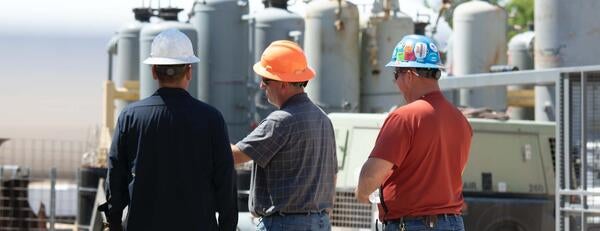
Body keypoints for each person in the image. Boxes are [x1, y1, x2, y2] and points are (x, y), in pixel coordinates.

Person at [104, 29, 237, 231]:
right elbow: (225, 181)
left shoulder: (130, 117)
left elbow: (115, 176)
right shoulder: (212, 119)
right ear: (189, 71)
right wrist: (227, 226)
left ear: (154, 71)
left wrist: (114, 222)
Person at [355, 35, 472, 231]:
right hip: (453, 223)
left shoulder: (404, 117)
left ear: (409, 75)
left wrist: (361, 193)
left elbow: (371, 176)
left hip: (413, 224)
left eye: (396, 75)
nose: (395, 83)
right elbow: (452, 174)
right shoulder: (460, 120)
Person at [230, 40, 337, 230]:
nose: (262, 86)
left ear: (284, 84)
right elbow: (333, 174)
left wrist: (202, 139)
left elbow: (235, 155)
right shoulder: (323, 119)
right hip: (321, 222)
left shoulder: (280, 121)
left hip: (285, 223)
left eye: (266, 79)